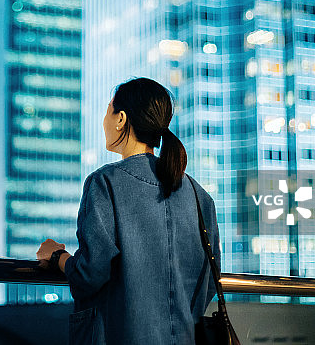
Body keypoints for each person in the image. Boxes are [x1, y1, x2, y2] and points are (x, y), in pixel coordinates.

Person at [37, 77, 220, 344]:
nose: (104, 121)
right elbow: (209, 283)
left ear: (120, 118)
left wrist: (56, 256)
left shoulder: (105, 182)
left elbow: (89, 274)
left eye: (107, 111)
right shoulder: (198, 195)